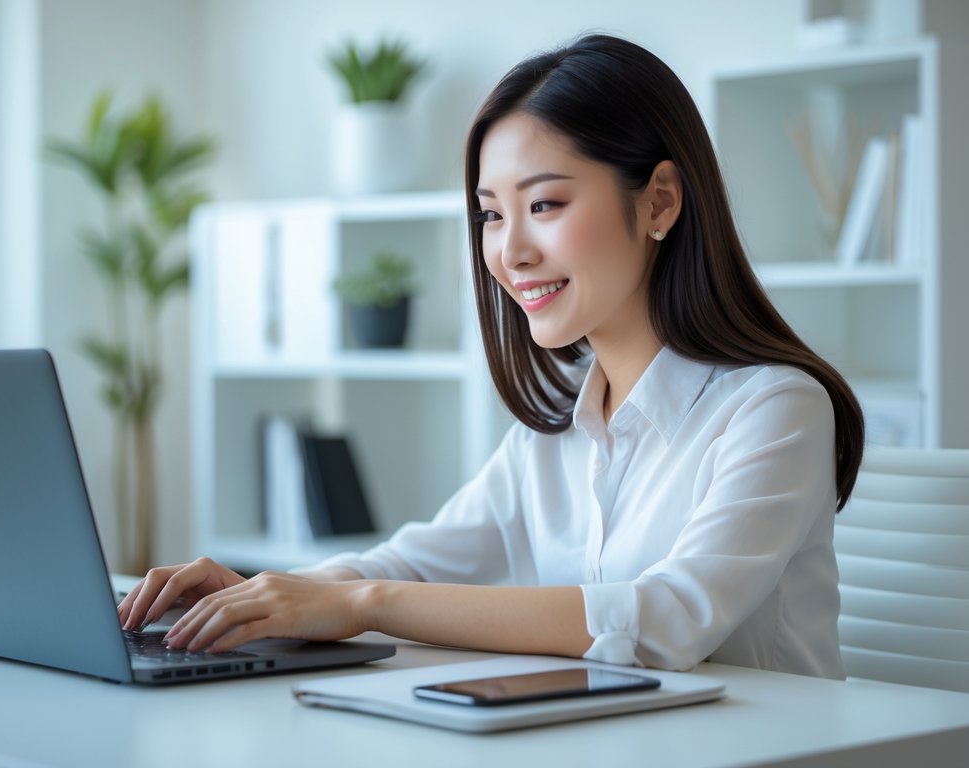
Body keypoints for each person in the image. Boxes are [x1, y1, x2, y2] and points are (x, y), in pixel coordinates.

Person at [118, 34, 864, 678]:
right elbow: (411, 562)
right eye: (489, 214)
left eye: (544, 205)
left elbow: (667, 618)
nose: (509, 252)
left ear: (660, 201)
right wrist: (267, 593)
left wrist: (358, 604)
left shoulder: (774, 408)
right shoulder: (555, 432)